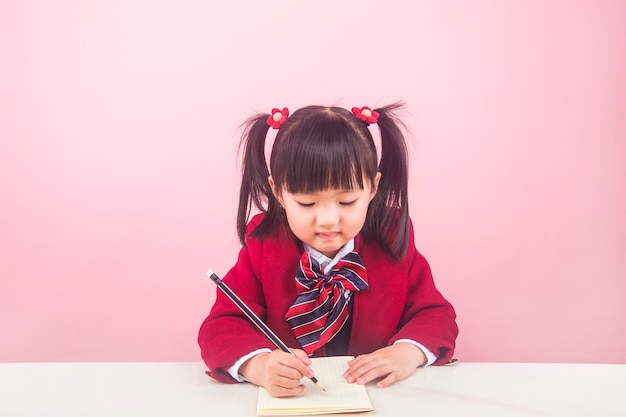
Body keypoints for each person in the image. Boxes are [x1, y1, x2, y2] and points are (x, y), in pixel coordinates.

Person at [198, 103, 458, 398]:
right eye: (307, 204)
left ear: (372, 188)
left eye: (346, 202)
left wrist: (407, 353)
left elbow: (436, 316)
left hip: (382, 399)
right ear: (279, 192)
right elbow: (220, 328)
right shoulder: (264, 243)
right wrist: (259, 365)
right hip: (297, 401)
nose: (328, 220)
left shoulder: (392, 236)